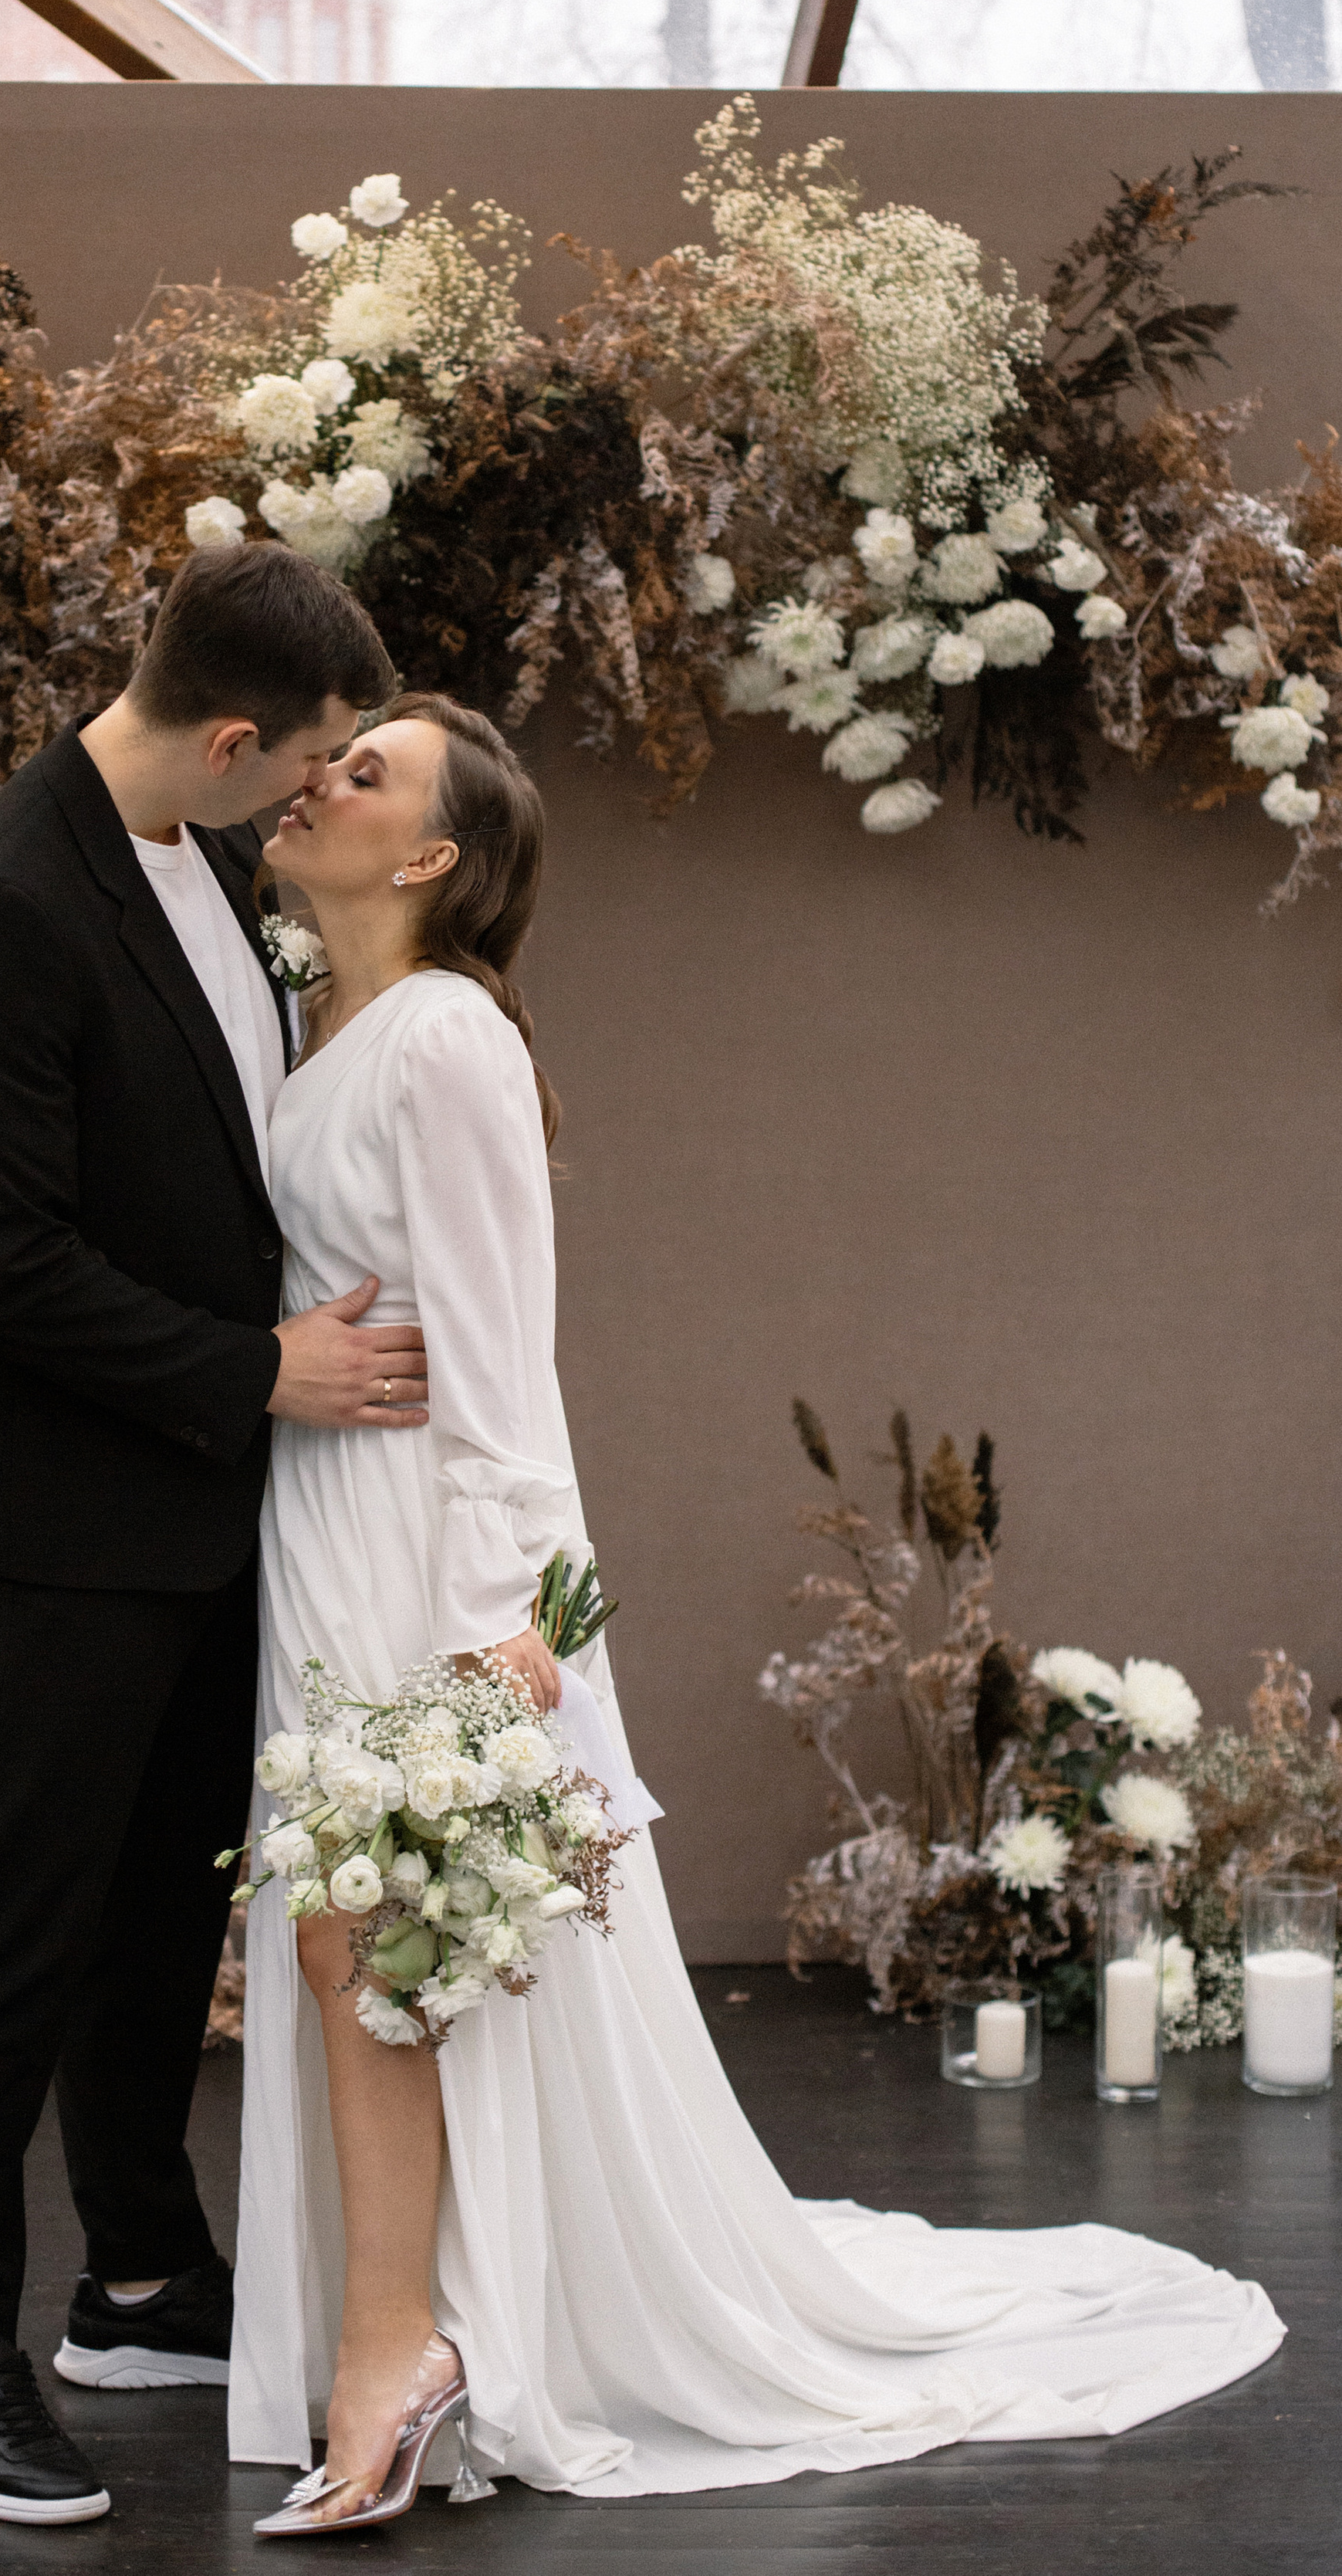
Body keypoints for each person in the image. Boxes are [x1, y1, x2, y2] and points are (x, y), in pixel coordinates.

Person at [229, 689, 1285, 2529]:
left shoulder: (450, 1041)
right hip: (317, 1527)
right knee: (360, 1943)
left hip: (422, 1552)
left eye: (367, 772)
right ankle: (412, 2336)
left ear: (431, 858)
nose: (317, 777)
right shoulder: (321, 1019)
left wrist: (501, 1645)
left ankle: (421, 2349)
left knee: (390, 1935)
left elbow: (498, 1366)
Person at [0, 543, 416, 2528]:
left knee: (150, 1920)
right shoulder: (2, 906)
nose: (316, 797)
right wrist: (258, 1370)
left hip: (202, 1506)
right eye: (311, 762)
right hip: (58, 1521)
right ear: (224, 736)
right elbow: (3, 1267)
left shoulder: (192, 860)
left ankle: (130, 2274)